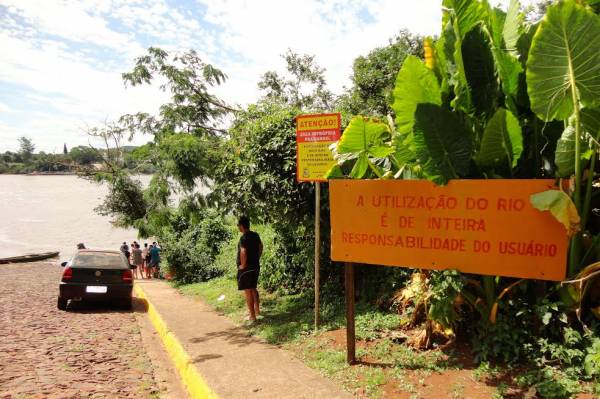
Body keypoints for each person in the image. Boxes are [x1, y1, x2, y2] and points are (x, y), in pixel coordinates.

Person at [236, 216, 263, 323]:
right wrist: (257, 257)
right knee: (253, 288)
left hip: (246, 269)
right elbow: (261, 246)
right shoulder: (255, 235)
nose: (238, 227)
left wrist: (243, 265)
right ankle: (257, 311)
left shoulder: (243, 238)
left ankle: (252, 317)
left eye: (238, 225)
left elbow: (243, 251)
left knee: (248, 291)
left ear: (242, 226)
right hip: (255, 266)